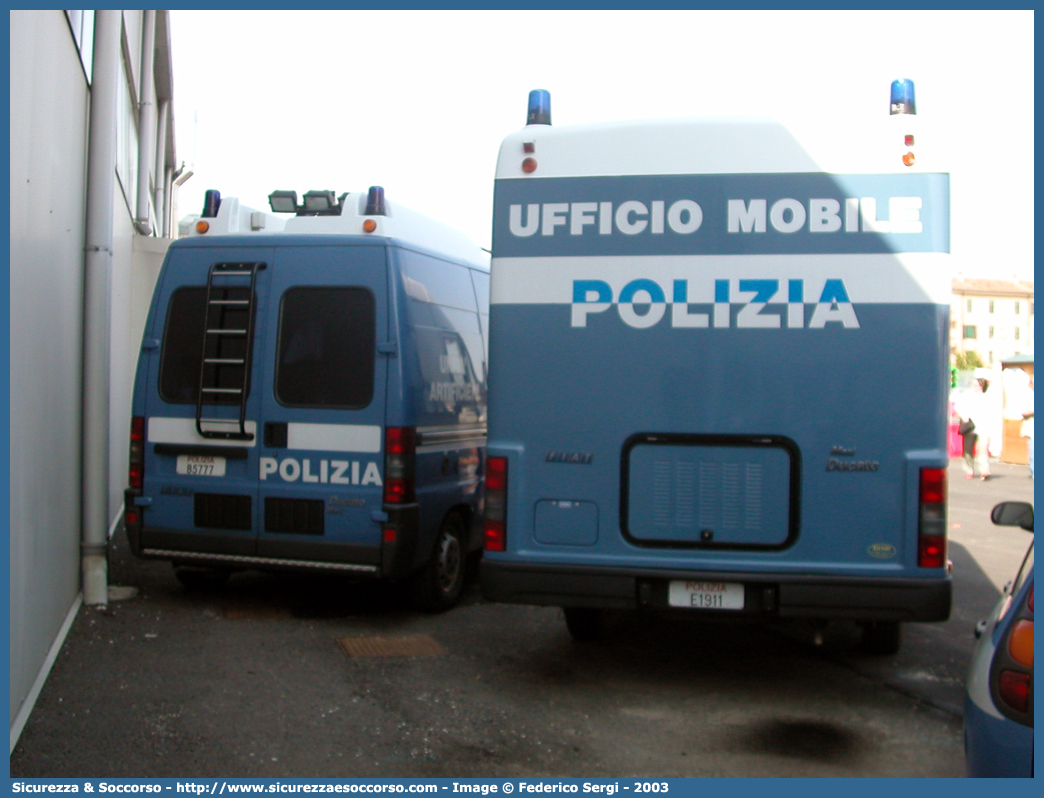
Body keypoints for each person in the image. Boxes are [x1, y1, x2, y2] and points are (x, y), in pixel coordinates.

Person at [955, 378, 991, 480]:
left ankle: (984, 471)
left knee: (982, 450)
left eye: (976, 385)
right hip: (969, 427)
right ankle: (969, 470)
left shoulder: (986, 397)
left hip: (983, 427)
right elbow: (958, 407)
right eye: (972, 384)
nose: (973, 387)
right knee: (968, 451)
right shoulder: (967, 396)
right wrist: (964, 417)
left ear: (981, 387)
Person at [1022, 378, 1034, 479]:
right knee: (1033, 450)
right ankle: (1034, 471)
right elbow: (1023, 412)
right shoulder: (1027, 395)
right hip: (1032, 426)